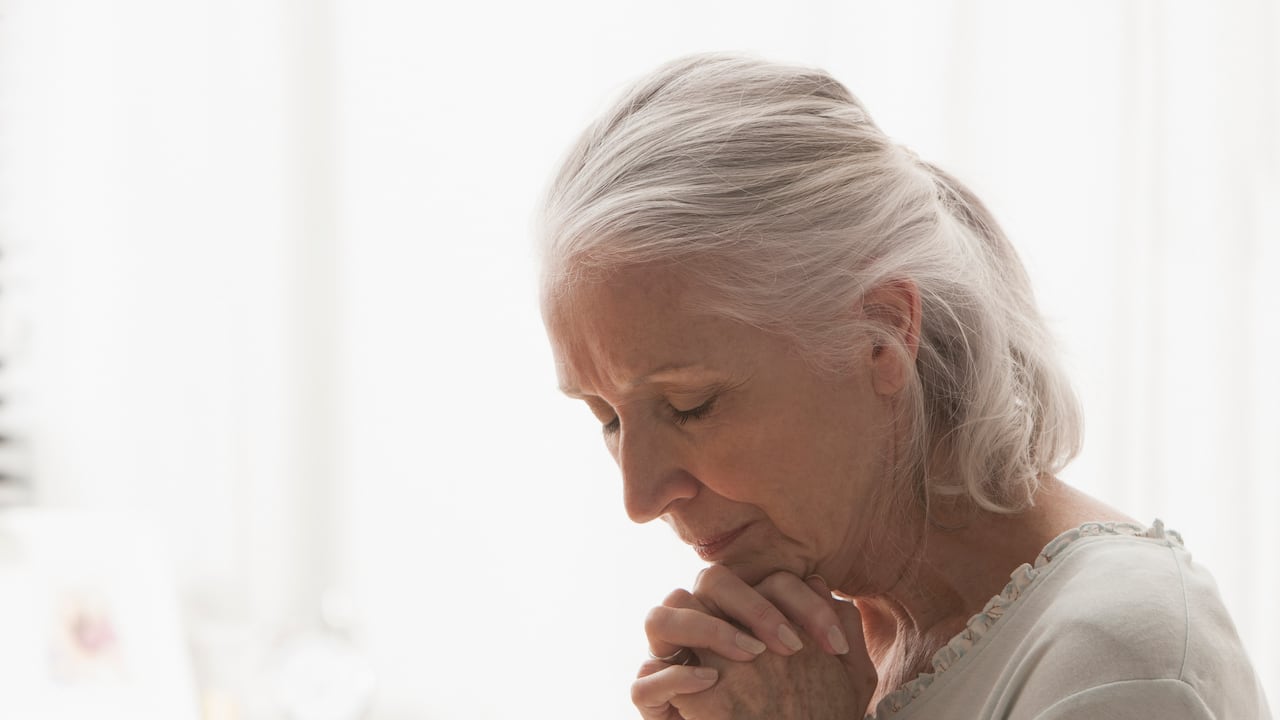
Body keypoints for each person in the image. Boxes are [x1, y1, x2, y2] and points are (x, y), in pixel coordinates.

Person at [538, 54, 1272, 719]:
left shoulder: (1119, 664)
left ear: (882, 334)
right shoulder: (806, 661)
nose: (640, 498)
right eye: (609, 419)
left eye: (690, 406)